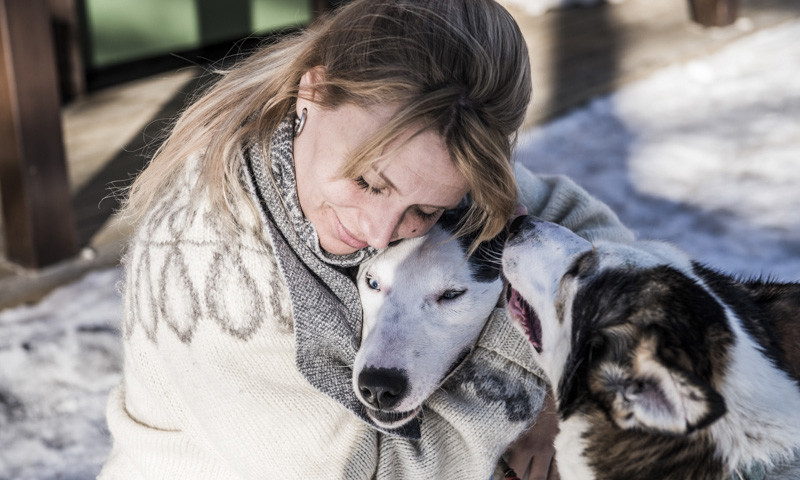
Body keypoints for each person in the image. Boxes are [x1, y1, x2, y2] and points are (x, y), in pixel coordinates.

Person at [99, 1, 635, 478]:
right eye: (368, 182)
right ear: (311, 92)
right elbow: (376, 472)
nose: (379, 232)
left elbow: (601, 247)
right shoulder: (208, 265)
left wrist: (549, 411)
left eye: (426, 210)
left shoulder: (433, 158)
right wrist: (533, 369)